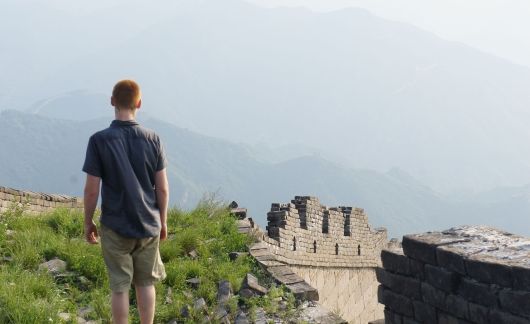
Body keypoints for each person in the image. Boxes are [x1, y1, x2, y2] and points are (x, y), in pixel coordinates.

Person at [82, 79, 169, 324]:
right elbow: (162, 188)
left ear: (112, 102)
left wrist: (88, 222)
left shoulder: (99, 140)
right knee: (145, 283)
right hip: (148, 224)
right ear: (139, 103)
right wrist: (162, 222)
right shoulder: (154, 139)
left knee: (119, 286)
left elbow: (91, 190)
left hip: (115, 224)